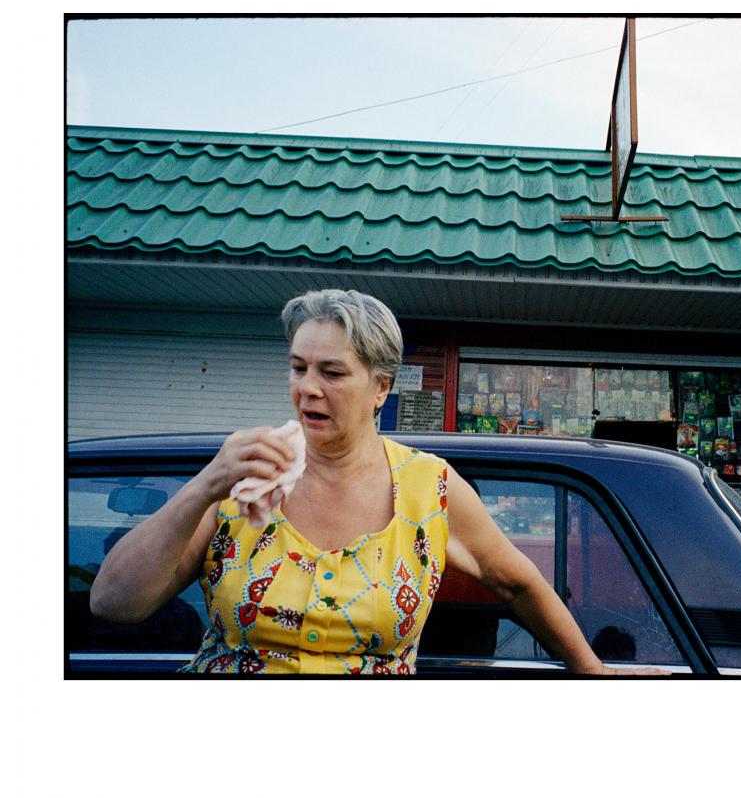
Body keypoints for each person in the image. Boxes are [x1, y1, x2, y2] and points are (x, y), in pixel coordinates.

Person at [90, 288, 659, 675]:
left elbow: (518, 585)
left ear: (381, 387)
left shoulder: (429, 488)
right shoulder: (245, 477)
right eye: (298, 367)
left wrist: (592, 672)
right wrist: (202, 487)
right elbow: (114, 604)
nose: (307, 388)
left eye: (332, 372)